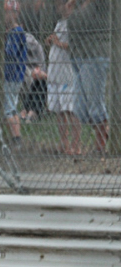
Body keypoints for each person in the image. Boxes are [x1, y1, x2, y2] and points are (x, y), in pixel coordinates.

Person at [68, 0, 108, 152]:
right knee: (80, 109)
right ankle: (106, 132)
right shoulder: (77, 4)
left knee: (95, 105)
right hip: (77, 55)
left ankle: (101, 147)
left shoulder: (101, 3)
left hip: (94, 54)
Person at [45, 0, 79, 154]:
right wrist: (52, 40)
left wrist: (58, 43)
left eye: (63, 4)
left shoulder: (75, 23)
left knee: (70, 110)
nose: (61, 8)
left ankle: (75, 144)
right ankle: (64, 143)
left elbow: (75, 45)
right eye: (58, 5)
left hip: (67, 75)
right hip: (55, 74)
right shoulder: (60, 23)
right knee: (59, 111)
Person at [2, 1, 26, 147]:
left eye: (7, 12)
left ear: (15, 14)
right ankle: (15, 137)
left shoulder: (16, 32)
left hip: (13, 75)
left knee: (8, 108)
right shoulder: (11, 32)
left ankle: (17, 138)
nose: (5, 16)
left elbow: (11, 54)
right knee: (11, 106)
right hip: (11, 75)